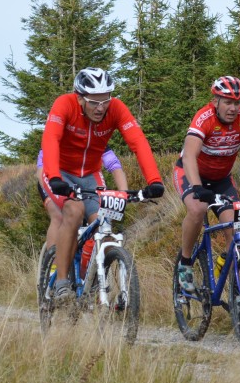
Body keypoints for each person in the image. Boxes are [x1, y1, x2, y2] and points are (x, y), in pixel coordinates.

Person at [41, 67, 165, 302]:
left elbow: (138, 142)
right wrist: (54, 176)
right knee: (74, 210)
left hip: (91, 174)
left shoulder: (116, 108)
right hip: (61, 172)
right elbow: (51, 139)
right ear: (79, 98)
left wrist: (154, 180)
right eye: (93, 102)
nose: (100, 108)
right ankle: (62, 283)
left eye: (105, 101)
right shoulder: (64, 104)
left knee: (104, 224)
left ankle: (89, 280)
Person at [175, 76, 240, 293]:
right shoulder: (204, 117)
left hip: (222, 180)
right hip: (191, 173)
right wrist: (198, 188)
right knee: (197, 209)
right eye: (227, 102)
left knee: (233, 226)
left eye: (237, 103)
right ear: (215, 101)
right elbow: (189, 156)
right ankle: (185, 263)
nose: (233, 108)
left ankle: (228, 277)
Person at [37, 147, 127, 250]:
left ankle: (100, 262)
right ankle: (54, 265)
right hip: (55, 179)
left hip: (86, 179)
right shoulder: (59, 135)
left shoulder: (96, 138)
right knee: (59, 216)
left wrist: (124, 194)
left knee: (102, 220)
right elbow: (41, 170)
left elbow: (114, 166)